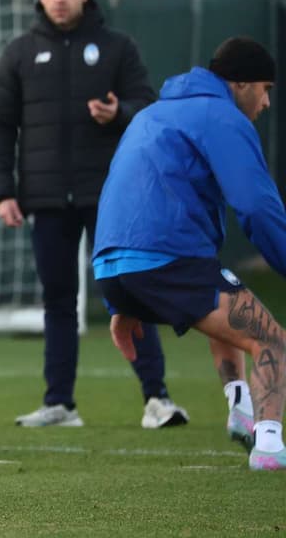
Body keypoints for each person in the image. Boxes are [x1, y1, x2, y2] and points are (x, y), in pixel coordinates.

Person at [0, 0, 189, 429]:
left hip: (111, 197)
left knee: (129, 294)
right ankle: (60, 404)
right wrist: (2, 192)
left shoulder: (117, 48)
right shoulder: (19, 53)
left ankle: (157, 400)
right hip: (47, 200)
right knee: (58, 300)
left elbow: (148, 107)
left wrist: (119, 112)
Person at [94, 37, 286, 470]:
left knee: (223, 297)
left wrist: (120, 301)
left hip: (111, 263)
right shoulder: (221, 116)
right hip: (166, 257)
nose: (268, 102)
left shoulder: (152, 114)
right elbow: (255, 206)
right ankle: (270, 446)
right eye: (266, 88)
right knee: (271, 338)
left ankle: (240, 407)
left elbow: (123, 193)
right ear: (240, 84)